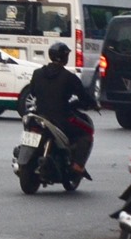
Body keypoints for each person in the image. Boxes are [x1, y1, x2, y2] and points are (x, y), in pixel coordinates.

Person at [29, 43, 99, 174]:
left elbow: (33, 92)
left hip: (40, 116)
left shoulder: (37, 73)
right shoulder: (69, 77)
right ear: (65, 57)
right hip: (62, 119)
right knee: (87, 131)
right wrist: (94, 104)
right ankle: (78, 165)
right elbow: (84, 96)